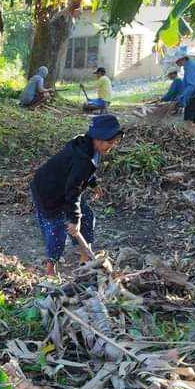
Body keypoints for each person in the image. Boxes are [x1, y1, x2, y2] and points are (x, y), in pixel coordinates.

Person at [30, 114, 122, 276]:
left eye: (115, 142)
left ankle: (85, 256)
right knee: (56, 229)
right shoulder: (82, 159)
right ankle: (50, 268)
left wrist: (93, 183)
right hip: (48, 192)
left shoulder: (89, 146)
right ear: (98, 138)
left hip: (65, 188)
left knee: (87, 217)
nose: (112, 146)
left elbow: (79, 176)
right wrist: (73, 220)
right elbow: (73, 191)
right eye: (110, 142)